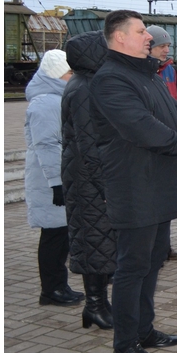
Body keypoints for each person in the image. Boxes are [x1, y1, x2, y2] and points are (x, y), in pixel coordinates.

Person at [90, 10, 177, 353]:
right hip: (135, 187)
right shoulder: (110, 79)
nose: (148, 37)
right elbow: (140, 127)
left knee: (153, 262)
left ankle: (144, 329)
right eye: (140, 31)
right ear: (120, 37)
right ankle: (124, 347)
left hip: (158, 184)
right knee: (132, 267)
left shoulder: (146, 73)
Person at [61, 31, 117, 330]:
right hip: (88, 178)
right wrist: (105, 185)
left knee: (99, 240)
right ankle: (94, 305)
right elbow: (89, 143)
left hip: (86, 175)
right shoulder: (84, 88)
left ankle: (98, 304)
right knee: (94, 239)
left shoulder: (84, 84)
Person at [26, 50, 84, 308]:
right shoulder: (45, 103)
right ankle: (51, 290)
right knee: (54, 235)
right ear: (55, 74)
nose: (73, 77)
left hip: (60, 175)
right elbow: (47, 145)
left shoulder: (57, 98)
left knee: (61, 235)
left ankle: (59, 285)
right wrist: (56, 183)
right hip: (49, 179)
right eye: (69, 73)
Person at [147, 25, 177, 261]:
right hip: (157, 141)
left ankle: (164, 246)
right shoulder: (148, 74)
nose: (166, 50)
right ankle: (155, 249)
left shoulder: (169, 70)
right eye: (161, 46)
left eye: (168, 46)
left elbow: (176, 103)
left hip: (172, 137)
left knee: (166, 199)